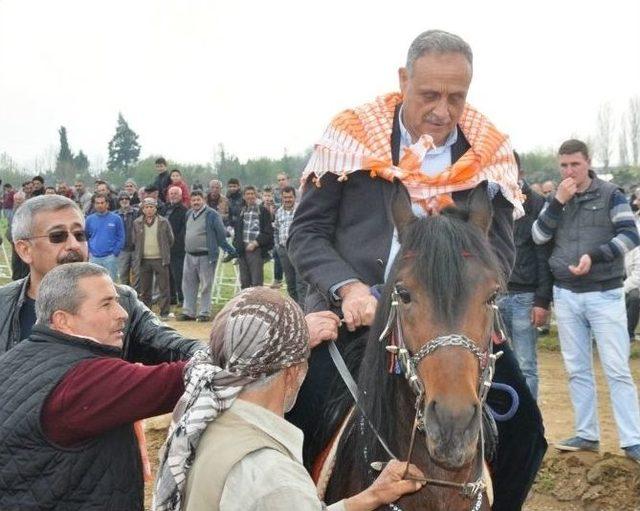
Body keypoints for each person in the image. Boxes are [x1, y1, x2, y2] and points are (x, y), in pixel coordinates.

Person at [287, 29, 546, 510]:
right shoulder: (349, 139)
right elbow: (306, 234)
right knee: (293, 420)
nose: (443, 111)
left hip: (455, 323)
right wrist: (349, 290)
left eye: (457, 97)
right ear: (404, 80)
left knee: (526, 431)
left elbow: (501, 251)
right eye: (429, 94)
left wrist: (475, 300)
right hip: (356, 317)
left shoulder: (490, 155)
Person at [154, 287, 424, 511]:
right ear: (294, 372)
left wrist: (372, 496)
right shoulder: (274, 474)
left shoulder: (207, 424)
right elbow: (281, 497)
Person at [0, 262, 189, 510]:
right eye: (106, 304)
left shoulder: (14, 359)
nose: (122, 313)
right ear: (63, 321)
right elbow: (182, 378)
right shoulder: (86, 377)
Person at [532, 139, 640, 462]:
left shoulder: (611, 195)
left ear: (588, 162)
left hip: (604, 293)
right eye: (563, 165)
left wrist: (596, 256)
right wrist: (556, 203)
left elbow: (631, 235)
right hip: (566, 295)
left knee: (617, 368)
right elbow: (538, 236)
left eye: (574, 164)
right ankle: (586, 434)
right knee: (577, 368)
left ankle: (633, 440)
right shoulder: (556, 199)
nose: (569, 171)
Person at [0, 194, 200, 360]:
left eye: (80, 235)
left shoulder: (123, 302)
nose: (74, 245)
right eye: (58, 236)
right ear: (25, 250)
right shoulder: (3, 305)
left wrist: (211, 354)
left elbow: (173, 345)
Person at [497, 151, 552, 400]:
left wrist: (542, 299)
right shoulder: (493, 201)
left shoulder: (537, 203)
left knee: (526, 364)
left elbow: (544, 253)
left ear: (521, 172)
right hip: (496, 295)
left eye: (511, 168)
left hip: (525, 296)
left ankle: (529, 421)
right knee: (498, 363)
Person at [180, 190, 236, 322]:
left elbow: (221, 235)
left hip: (206, 255)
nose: (196, 202)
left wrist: (231, 251)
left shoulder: (212, 215)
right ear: (190, 202)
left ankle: (204, 312)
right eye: (193, 200)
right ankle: (189, 311)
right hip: (189, 255)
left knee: (206, 285)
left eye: (198, 200)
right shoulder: (189, 214)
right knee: (188, 285)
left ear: (203, 200)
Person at [133, 198, 174, 319]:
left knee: (164, 287)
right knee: (145, 289)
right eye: (146, 207)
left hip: (160, 259)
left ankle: (164, 312)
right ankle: (146, 313)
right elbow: (134, 240)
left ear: (155, 208)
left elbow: (170, 239)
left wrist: (164, 251)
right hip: (144, 259)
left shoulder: (163, 222)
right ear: (143, 209)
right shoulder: (137, 222)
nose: (149, 209)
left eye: (151, 207)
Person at [233, 185, 274, 288]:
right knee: (244, 282)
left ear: (256, 195)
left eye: (252, 194)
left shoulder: (263, 211)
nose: (250, 196)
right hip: (242, 249)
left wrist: (256, 243)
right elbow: (237, 231)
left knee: (257, 283)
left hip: (256, 249)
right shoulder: (241, 211)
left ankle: (257, 303)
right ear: (244, 196)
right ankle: (245, 303)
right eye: (247, 194)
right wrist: (237, 244)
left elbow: (268, 232)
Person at [274, 186, 305, 306]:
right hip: (283, 250)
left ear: (294, 197)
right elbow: (276, 230)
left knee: (301, 283)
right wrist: (277, 246)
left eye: (290, 197)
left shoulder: (301, 210)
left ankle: (303, 311)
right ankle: (295, 309)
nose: (287, 200)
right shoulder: (279, 212)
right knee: (290, 282)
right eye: (285, 197)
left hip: (298, 250)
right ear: (282, 198)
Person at [86, 192, 125, 280]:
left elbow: (121, 237)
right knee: (94, 282)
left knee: (111, 283)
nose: (100, 205)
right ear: (94, 204)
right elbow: (86, 237)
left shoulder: (116, 218)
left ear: (107, 204)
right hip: (94, 257)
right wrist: (90, 252)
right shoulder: (89, 219)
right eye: (97, 203)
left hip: (110, 257)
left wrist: (115, 252)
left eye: (102, 203)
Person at [164, 186, 188, 306]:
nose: (173, 195)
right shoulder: (165, 208)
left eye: (175, 193)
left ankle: (182, 298)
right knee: (167, 276)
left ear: (180, 195)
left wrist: (174, 243)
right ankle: (172, 298)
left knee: (178, 275)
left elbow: (183, 231)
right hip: (164, 249)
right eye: (171, 193)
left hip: (177, 248)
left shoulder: (184, 210)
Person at [116, 191, 140, 287]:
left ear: (129, 200)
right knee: (123, 274)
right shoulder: (115, 215)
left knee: (137, 274)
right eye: (122, 199)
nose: (124, 200)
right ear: (119, 201)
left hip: (136, 248)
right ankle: (125, 297)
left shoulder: (137, 212)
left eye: (126, 199)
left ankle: (136, 296)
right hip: (122, 250)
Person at [6, 190, 29, 280]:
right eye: (16, 200)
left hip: (24, 242)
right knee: (15, 264)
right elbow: (10, 226)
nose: (17, 202)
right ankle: (16, 280)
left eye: (20, 200)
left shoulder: (27, 211)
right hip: (14, 242)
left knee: (25, 265)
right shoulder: (13, 210)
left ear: (24, 200)